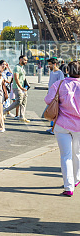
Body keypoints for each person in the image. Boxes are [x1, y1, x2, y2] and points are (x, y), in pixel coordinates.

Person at [44, 61, 80, 197]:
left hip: (62, 124)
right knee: (77, 153)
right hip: (79, 126)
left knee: (66, 156)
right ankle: (77, 179)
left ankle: (69, 186)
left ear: (66, 71)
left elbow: (48, 100)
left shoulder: (59, 85)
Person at [3, 55, 30, 123]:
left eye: (26, 60)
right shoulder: (17, 67)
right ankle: (5, 111)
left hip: (23, 87)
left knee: (24, 102)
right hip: (17, 87)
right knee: (18, 101)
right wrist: (20, 87)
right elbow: (16, 78)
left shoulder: (22, 68)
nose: (26, 61)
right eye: (24, 60)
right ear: (20, 60)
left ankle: (22, 116)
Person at [45, 58, 65, 134]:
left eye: (50, 64)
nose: (48, 66)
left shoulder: (59, 73)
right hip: (51, 94)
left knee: (55, 112)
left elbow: (61, 84)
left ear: (54, 64)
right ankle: (53, 128)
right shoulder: (52, 72)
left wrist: (57, 95)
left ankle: (54, 129)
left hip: (56, 96)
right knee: (53, 112)